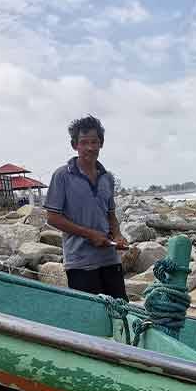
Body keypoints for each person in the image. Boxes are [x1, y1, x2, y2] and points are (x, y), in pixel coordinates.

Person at [45, 116, 129, 299]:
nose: (90, 148)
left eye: (94, 142)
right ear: (74, 145)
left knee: (120, 310)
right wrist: (90, 234)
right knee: (89, 314)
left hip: (110, 260)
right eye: (84, 142)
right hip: (80, 264)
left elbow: (110, 214)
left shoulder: (107, 178)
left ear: (101, 144)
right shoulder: (62, 176)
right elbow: (52, 218)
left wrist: (117, 235)